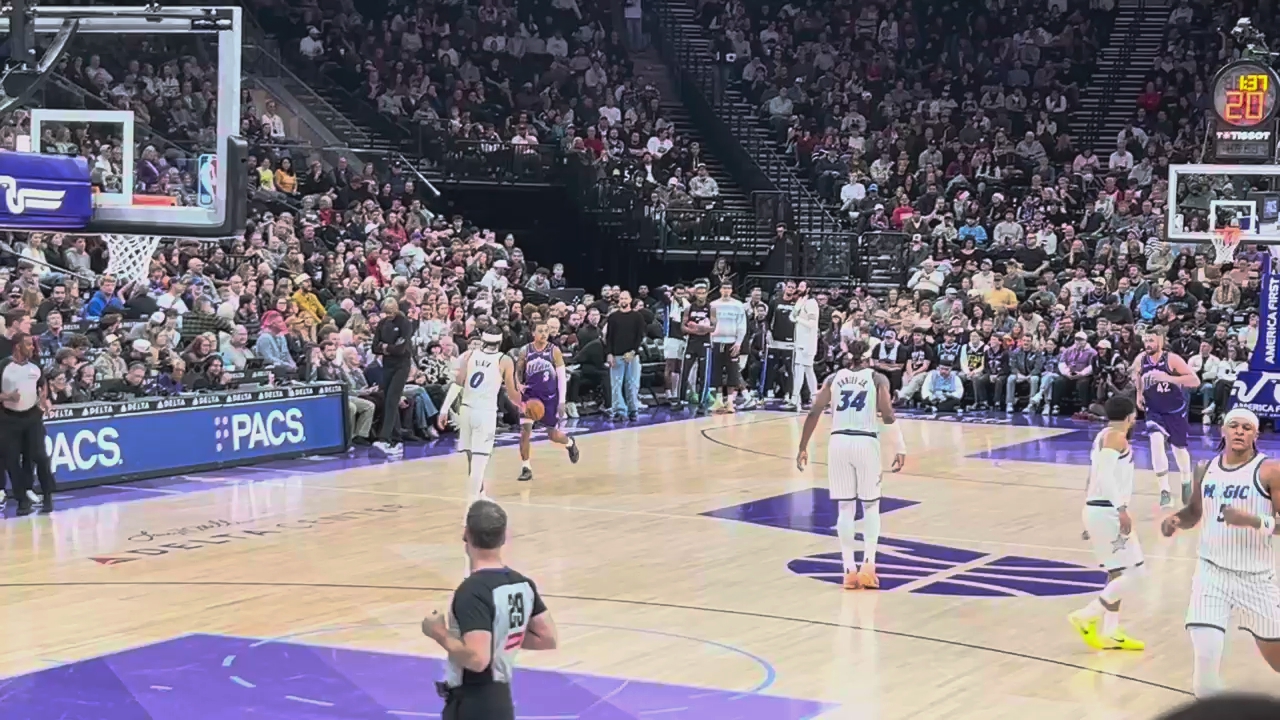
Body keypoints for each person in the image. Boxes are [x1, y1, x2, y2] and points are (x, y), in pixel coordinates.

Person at [1162, 408, 1280, 698]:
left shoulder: (1270, 471)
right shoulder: (1205, 468)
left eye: (1246, 428)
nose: (1239, 431)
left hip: (1256, 579)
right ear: (1223, 431)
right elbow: (1194, 512)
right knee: (1205, 666)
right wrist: (1176, 520)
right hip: (1211, 574)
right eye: (1234, 425)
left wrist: (1254, 521)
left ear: (1256, 435)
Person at [421, 500, 558, 720]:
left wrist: (439, 634)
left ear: (466, 534)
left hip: (473, 703)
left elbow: (477, 660)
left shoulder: (472, 591)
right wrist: (501, 636)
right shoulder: (522, 584)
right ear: (504, 537)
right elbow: (547, 638)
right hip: (501, 699)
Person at [795, 342, 906, 590]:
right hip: (865, 441)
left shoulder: (833, 378)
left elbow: (814, 412)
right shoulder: (877, 379)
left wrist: (802, 446)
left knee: (845, 508)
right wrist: (900, 446)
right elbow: (888, 414)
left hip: (839, 442)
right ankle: (868, 566)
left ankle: (848, 570)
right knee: (870, 506)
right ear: (868, 359)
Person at [1068, 395, 1145, 651]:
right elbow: (1104, 476)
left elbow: (1092, 477)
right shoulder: (1115, 437)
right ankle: (1087, 615)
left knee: (1117, 573)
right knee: (1135, 573)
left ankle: (1111, 632)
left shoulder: (1103, 435)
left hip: (1097, 509)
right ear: (1131, 416)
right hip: (1107, 510)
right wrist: (1121, 509)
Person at [439, 331, 522, 519]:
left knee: (472, 458)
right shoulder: (504, 360)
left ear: (483, 341)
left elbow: (457, 384)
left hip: (466, 411)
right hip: (485, 413)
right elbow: (512, 392)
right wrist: (525, 404)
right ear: (500, 342)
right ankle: (470, 510)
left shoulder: (469, 355)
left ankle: (481, 494)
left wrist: (444, 410)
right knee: (479, 462)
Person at [1133, 329, 1199, 507]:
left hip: (1175, 409)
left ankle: (1185, 481)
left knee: (1178, 448)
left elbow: (1195, 381)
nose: (1148, 344)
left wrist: (1168, 378)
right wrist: (1139, 394)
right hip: (1154, 409)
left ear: (1160, 342)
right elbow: (1138, 376)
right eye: (1146, 340)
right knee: (1155, 442)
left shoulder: (1172, 359)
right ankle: (1164, 490)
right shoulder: (1140, 359)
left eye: (1151, 341)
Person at [515, 321, 580, 482]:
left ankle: (569, 443)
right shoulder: (525, 350)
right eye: (540, 331)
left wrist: (562, 401)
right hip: (530, 397)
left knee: (552, 435)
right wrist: (518, 384)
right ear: (533, 333)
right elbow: (518, 371)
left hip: (549, 398)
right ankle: (526, 467)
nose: (544, 334)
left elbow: (561, 378)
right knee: (524, 432)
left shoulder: (554, 351)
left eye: (546, 331)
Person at [0, 332, 55, 516]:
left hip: (32, 417)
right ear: (18, 346)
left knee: (40, 456)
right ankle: (22, 499)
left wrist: (44, 400)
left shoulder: (35, 366)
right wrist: (7, 396)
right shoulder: (4, 366)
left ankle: (47, 495)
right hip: (8, 418)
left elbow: (43, 385)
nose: (32, 348)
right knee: (12, 460)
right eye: (29, 344)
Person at [374, 298, 414, 456]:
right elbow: (374, 346)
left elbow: (401, 349)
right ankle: (397, 440)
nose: (389, 314)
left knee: (392, 398)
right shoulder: (382, 324)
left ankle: (384, 439)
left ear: (397, 308)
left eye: (391, 311)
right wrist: (389, 348)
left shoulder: (405, 323)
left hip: (401, 366)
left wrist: (385, 347)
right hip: (387, 365)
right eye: (386, 311)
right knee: (388, 399)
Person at [603, 290, 646, 421]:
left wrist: (633, 351)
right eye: (621, 298)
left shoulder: (637, 316)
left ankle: (633, 409)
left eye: (625, 298)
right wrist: (609, 354)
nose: (623, 301)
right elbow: (609, 337)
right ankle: (619, 411)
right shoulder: (613, 317)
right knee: (616, 385)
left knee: (632, 384)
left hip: (632, 355)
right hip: (616, 355)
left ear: (630, 300)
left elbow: (640, 336)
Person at [708, 279, 747, 413]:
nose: (726, 291)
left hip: (732, 342)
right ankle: (718, 400)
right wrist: (710, 340)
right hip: (716, 341)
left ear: (732, 290)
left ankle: (730, 402)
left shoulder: (738, 305)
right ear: (720, 290)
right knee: (716, 372)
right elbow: (710, 324)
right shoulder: (713, 305)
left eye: (728, 288)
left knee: (732, 372)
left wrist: (738, 342)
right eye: (724, 288)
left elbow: (742, 325)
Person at [680, 282, 714, 413]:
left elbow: (713, 327)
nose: (701, 295)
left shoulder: (711, 308)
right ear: (695, 294)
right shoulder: (689, 308)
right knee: (685, 371)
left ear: (706, 294)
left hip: (705, 343)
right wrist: (694, 330)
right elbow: (683, 327)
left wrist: (700, 327)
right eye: (698, 293)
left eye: (703, 293)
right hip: (692, 342)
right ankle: (681, 400)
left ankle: (702, 401)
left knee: (703, 373)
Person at [787, 281, 820, 410]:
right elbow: (792, 316)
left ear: (808, 289)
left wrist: (797, 319)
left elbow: (812, 323)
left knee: (800, 370)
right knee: (808, 371)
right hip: (800, 341)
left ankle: (795, 400)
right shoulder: (801, 301)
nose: (798, 288)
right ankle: (814, 399)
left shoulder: (811, 303)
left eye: (801, 286)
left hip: (807, 342)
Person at [659, 284, 689, 407]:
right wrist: (668, 289)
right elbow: (658, 292)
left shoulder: (687, 304)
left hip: (683, 337)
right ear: (674, 293)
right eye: (678, 293)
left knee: (679, 366)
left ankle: (676, 392)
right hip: (671, 337)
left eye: (682, 293)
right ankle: (668, 393)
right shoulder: (669, 302)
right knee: (670, 365)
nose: (680, 296)